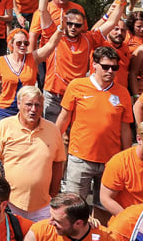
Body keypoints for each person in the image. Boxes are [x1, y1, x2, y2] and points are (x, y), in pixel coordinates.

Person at [56, 46, 134, 202]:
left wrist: (126, 158)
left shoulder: (123, 92)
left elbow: (125, 128)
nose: (110, 71)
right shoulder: (77, 85)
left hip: (110, 161)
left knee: (104, 208)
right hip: (80, 158)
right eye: (105, 67)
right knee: (74, 206)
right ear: (94, 65)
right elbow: (63, 118)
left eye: (114, 67)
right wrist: (54, 147)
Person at [0, 87, 65, 222]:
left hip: (42, 206)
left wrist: (53, 195)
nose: (33, 109)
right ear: (19, 104)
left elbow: (58, 163)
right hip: (9, 203)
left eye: (37, 105)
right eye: (29, 104)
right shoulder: (2, 127)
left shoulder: (53, 130)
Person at [0, 29, 37, 120]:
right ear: (11, 44)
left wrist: (60, 29)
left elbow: (50, 46)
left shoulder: (32, 59)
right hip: (3, 110)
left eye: (26, 43)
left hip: (26, 111)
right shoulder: (0, 62)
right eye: (18, 43)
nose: (22, 45)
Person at [21, 194, 116, 241]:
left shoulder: (106, 238)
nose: (50, 222)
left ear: (78, 223)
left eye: (57, 221)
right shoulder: (40, 231)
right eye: (51, 216)